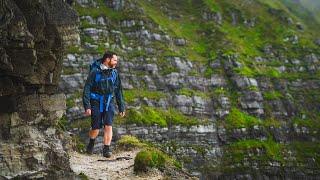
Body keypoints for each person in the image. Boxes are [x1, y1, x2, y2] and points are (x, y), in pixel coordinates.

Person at [82, 51, 125, 158]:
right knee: (95, 128)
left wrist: (121, 107)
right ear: (107, 59)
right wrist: (87, 106)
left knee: (108, 125)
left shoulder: (114, 73)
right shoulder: (95, 72)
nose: (116, 62)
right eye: (114, 60)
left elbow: (118, 90)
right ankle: (91, 142)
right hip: (96, 102)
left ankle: (106, 149)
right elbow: (87, 88)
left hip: (109, 102)